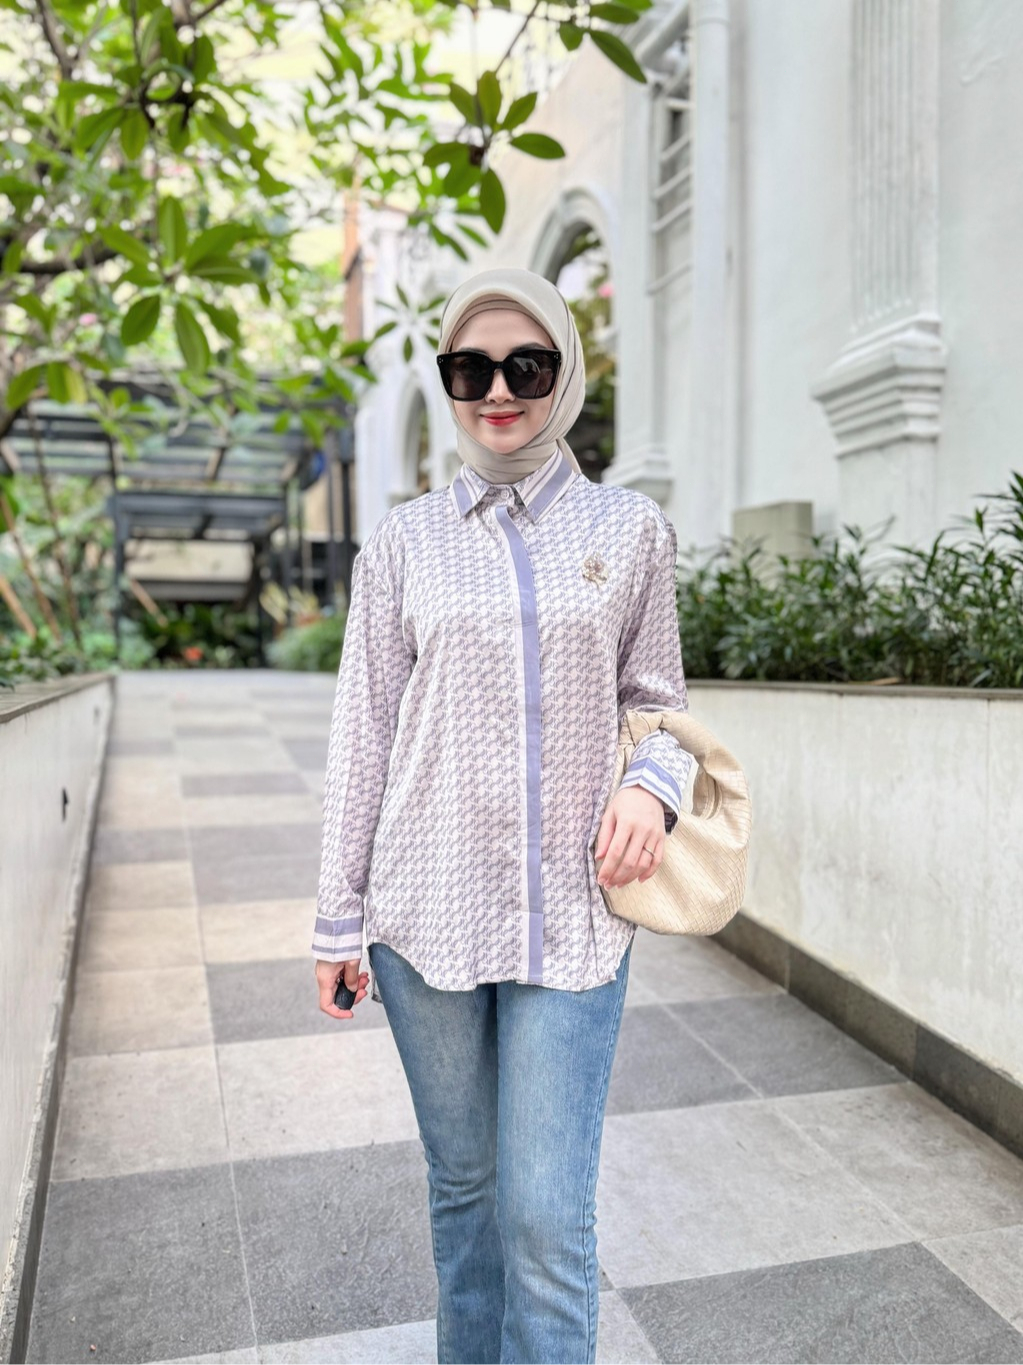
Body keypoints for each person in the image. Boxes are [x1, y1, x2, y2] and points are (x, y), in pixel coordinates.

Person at [311, 266, 695, 1365]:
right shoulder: (401, 545)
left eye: (526, 366)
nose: (496, 392)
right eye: (468, 369)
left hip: (572, 917)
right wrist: (337, 919)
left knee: (544, 1220)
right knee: (466, 1196)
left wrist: (649, 787)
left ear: (563, 373)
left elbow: (661, 708)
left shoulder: (631, 530)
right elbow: (363, 733)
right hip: (423, 915)